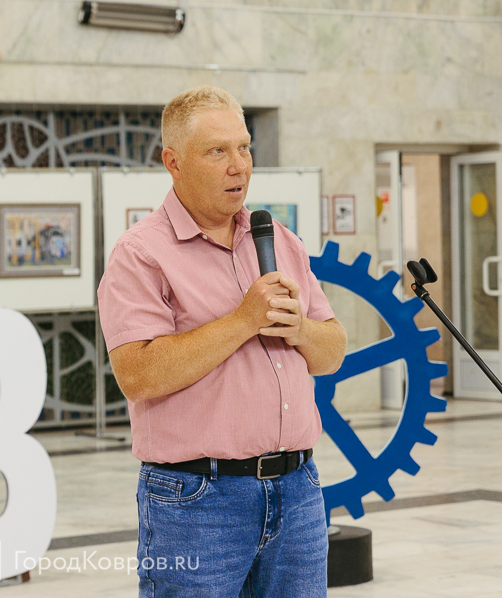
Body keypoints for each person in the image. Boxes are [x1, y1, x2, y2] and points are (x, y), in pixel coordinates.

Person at [97, 86, 346, 597]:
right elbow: (138, 375)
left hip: (298, 490)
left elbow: (332, 352)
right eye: (217, 151)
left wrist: (300, 329)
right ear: (173, 163)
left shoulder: (279, 240)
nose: (239, 166)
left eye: (244, 148)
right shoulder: (141, 254)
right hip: (197, 501)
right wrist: (244, 320)